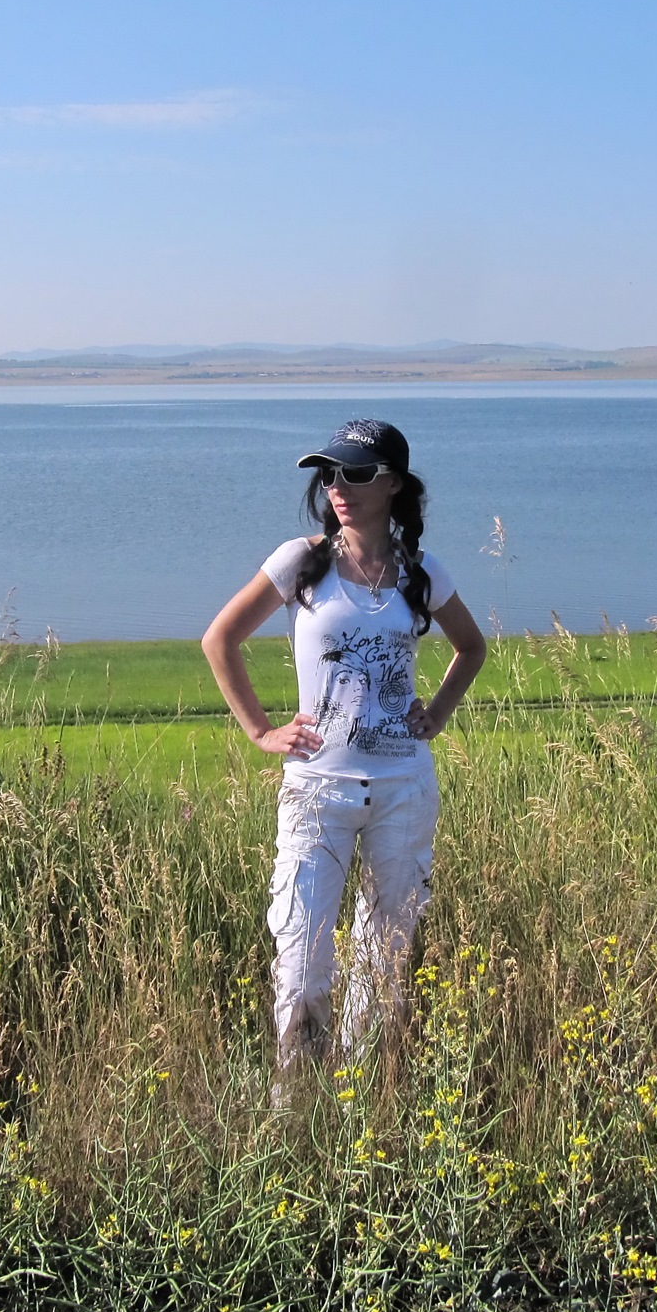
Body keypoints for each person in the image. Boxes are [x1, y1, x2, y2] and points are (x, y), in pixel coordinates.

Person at [202, 419, 486, 1083]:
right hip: (316, 791)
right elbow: (220, 639)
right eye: (329, 474)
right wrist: (260, 731)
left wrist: (438, 712)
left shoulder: (421, 572)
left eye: (355, 473)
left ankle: (365, 1102)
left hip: (403, 791)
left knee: (385, 961)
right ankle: (295, 1106)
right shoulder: (301, 561)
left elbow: (472, 647)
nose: (337, 487)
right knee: (300, 961)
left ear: (394, 484)